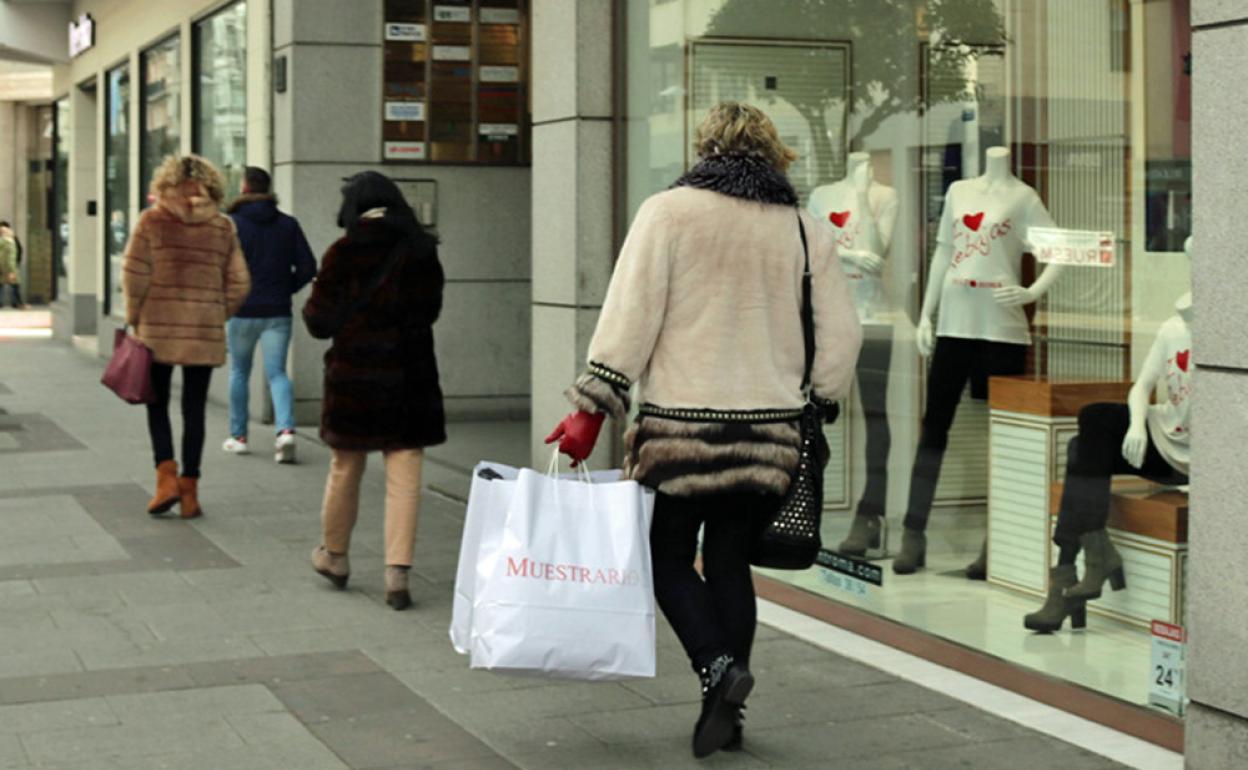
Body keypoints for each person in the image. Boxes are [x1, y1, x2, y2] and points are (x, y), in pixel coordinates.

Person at [547, 102, 862, 758]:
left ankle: (717, 668)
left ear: (705, 148)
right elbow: (840, 335)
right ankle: (727, 711)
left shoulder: (668, 213)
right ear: (773, 154)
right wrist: (822, 397)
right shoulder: (803, 229)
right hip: (768, 433)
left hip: (681, 429)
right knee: (727, 560)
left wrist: (593, 402)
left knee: (665, 556)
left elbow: (631, 315)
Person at [302, 171, 446, 611]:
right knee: (405, 474)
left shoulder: (342, 252)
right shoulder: (421, 250)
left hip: (355, 380)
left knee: (345, 467)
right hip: (410, 378)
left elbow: (317, 322)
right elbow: (430, 311)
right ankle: (397, 573)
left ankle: (335, 556)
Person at [124, 155, 251, 519]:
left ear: (166, 183)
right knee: (194, 408)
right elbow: (240, 283)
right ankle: (190, 491)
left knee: (157, 402)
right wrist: (215, 313)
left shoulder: (152, 221)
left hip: (158, 327)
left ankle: (165, 479)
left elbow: (134, 274)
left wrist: (135, 316)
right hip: (202, 330)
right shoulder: (222, 226)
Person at [223, 167, 317, 463]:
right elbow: (308, 266)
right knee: (277, 372)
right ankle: (285, 432)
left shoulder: (231, 225)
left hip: (241, 311)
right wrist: (285, 288)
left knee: (240, 371)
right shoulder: (288, 224)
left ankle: (238, 437)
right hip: (277, 311)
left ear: (244, 188)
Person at [0, 221, 25, 309]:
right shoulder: (9, 241)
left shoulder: (11, 240)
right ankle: (17, 303)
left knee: (11, 284)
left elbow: (18, 251)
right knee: (14, 284)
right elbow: (12, 255)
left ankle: (15, 302)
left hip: (8, 265)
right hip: (9, 266)